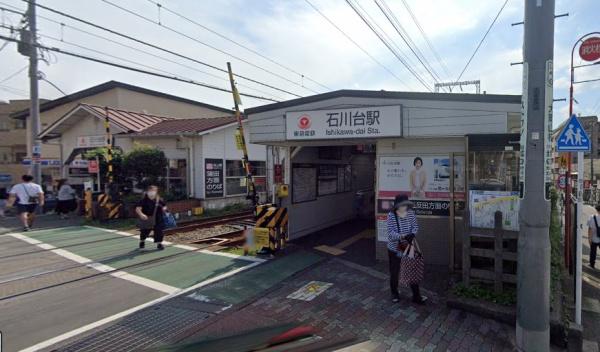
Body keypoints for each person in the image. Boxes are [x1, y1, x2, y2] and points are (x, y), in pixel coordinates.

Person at [387, 194, 426, 304]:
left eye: (406, 205)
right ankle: (394, 293)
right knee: (394, 271)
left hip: (407, 245)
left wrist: (412, 234)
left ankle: (416, 296)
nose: (404, 207)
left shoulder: (411, 213)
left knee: (411, 269)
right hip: (394, 247)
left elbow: (415, 226)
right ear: (397, 205)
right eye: (402, 205)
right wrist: (403, 236)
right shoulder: (391, 215)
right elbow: (390, 234)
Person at [135, 185, 167, 250]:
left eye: (154, 191)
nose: (152, 192)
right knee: (145, 231)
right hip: (147, 218)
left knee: (159, 231)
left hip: (158, 218)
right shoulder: (143, 200)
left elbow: (164, 206)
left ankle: (159, 243)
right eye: (151, 191)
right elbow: (138, 209)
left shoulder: (159, 199)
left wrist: (164, 209)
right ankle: (142, 241)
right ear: (147, 191)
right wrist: (141, 215)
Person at [587, 204, 600, 269]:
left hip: (594, 238)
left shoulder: (592, 217)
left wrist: (589, 238)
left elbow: (590, 229)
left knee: (593, 252)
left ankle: (592, 264)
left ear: (596, 210)